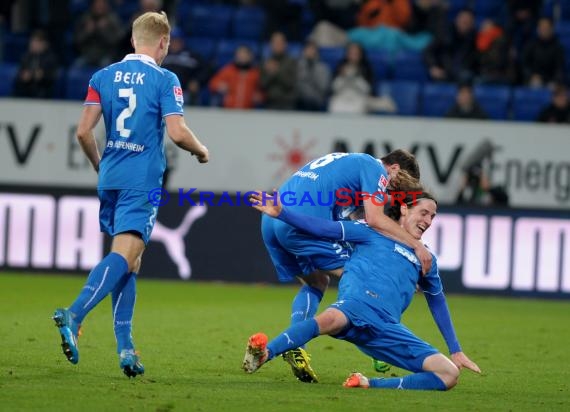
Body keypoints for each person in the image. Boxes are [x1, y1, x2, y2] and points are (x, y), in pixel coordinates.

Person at [52, 11, 209, 378]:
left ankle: (126, 349)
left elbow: (83, 133)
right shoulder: (165, 78)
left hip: (111, 176)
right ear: (163, 43)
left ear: (132, 40)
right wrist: (201, 150)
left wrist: (99, 165)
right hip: (142, 179)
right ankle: (74, 314)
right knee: (127, 255)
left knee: (130, 261)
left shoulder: (101, 77)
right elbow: (177, 131)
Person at [243, 190, 481, 390]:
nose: (429, 221)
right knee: (329, 318)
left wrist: (456, 350)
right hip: (355, 307)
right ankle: (264, 354)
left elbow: (437, 301)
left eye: (433, 216)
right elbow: (325, 229)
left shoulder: (425, 257)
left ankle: (367, 383)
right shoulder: (371, 231)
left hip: (387, 327)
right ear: (405, 209)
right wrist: (282, 213)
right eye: (424, 213)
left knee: (449, 374)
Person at [259, 150, 429, 383]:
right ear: (395, 168)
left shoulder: (350, 162)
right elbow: (374, 220)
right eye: (396, 186)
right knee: (366, 278)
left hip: (273, 218)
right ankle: (377, 342)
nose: (392, 191)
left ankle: (296, 346)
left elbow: (358, 221)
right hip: (301, 222)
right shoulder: (375, 169)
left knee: (317, 281)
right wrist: (415, 246)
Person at [208, 45, 263, 109]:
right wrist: (219, 86)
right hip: (229, 110)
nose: (242, 57)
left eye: (245, 55)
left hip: (248, 112)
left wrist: (260, 96)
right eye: (240, 55)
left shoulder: (255, 73)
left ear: (250, 56)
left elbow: (262, 91)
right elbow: (212, 84)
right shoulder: (228, 70)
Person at [73, 0, 124, 68]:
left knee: (106, 67)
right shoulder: (86, 19)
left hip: (106, 55)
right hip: (87, 54)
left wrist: (104, 31)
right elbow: (77, 41)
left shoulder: (112, 20)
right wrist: (87, 32)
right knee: (75, 68)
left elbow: (118, 41)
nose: (99, 7)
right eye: (97, 4)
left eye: (102, 4)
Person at [12, 29, 59, 98]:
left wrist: (43, 76)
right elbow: (19, 74)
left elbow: (54, 76)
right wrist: (23, 76)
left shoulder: (50, 58)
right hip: (25, 92)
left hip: (43, 93)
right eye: (32, 41)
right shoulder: (26, 57)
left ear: (44, 44)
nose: (33, 44)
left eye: (36, 42)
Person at [522, 17, 566, 87]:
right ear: (538, 29)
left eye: (546, 28)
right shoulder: (531, 46)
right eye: (541, 28)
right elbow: (525, 65)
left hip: (551, 80)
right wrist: (531, 75)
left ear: (552, 29)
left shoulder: (558, 47)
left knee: (553, 87)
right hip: (535, 79)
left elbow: (559, 68)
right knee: (535, 84)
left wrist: (554, 80)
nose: (544, 30)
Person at [260, 31, 298, 110]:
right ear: (270, 45)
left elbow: (290, 83)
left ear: (285, 44)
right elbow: (262, 84)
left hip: (287, 103)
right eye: (274, 42)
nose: (277, 45)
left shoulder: (292, 62)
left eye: (279, 42)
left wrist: (277, 71)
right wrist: (271, 74)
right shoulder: (265, 61)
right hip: (269, 102)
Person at [296, 40, 331, 111]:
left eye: (312, 49)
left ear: (317, 52)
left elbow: (323, 87)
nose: (310, 52)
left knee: (310, 102)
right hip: (299, 98)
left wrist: (311, 70)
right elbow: (294, 83)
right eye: (308, 49)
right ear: (303, 51)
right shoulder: (297, 65)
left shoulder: (323, 68)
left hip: (315, 99)